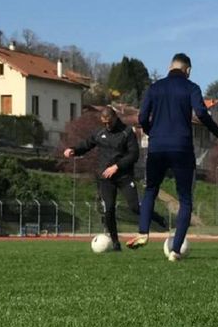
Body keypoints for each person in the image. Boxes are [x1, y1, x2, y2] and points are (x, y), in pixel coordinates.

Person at [127, 53, 218, 261]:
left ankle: (143, 232)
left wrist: (151, 131)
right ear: (187, 70)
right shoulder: (191, 88)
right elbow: (201, 113)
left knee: (151, 190)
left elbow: (142, 117)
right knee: (185, 199)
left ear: (169, 67)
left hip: (157, 147)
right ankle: (175, 250)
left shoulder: (155, 88)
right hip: (182, 148)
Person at [63, 106, 167, 251]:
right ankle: (116, 243)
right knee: (109, 209)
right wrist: (74, 149)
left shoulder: (126, 133)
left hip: (124, 176)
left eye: (109, 122)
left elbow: (133, 155)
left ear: (115, 118)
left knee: (134, 207)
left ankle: (157, 218)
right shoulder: (99, 133)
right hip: (105, 178)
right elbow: (87, 144)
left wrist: (116, 166)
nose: (107, 126)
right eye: (104, 123)